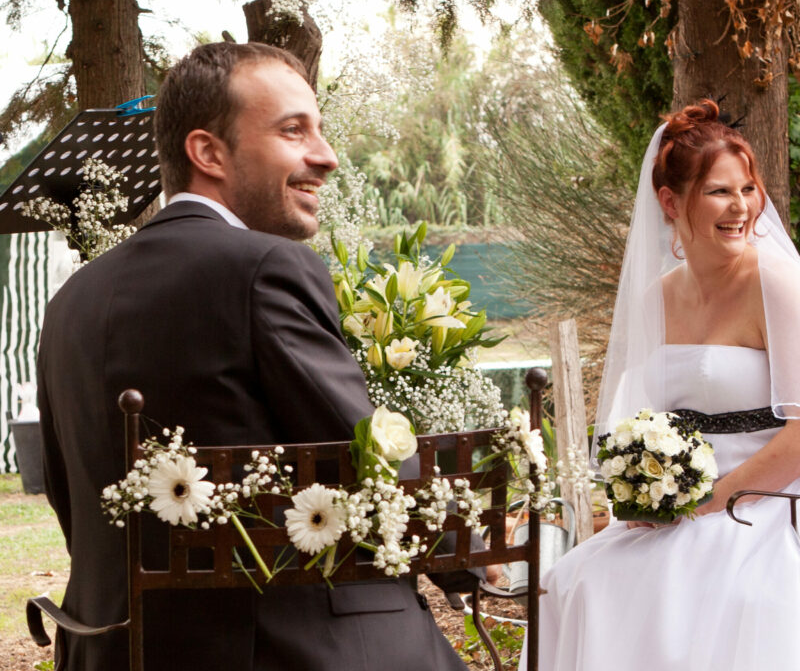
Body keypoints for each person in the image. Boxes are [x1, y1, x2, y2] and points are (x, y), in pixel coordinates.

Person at [37, 42, 471, 671]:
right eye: (293, 131)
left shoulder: (70, 300)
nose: (325, 156)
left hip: (108, 649)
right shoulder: (269, 268)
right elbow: (366, 461)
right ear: (208, 152)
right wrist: (479, 559)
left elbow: (69, 499)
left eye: (318, 129)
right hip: (280, 650)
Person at [521, 100, 800, 670]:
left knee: (716, 594)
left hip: (770, 501)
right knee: (571, 583)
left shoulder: (776, 286)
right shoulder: (658, 299)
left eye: (748, 189)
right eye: (720, 192)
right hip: (685, 508)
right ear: (672, 202)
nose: (742, 207)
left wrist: (708, 502)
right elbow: (639, 423)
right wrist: (641, 492)